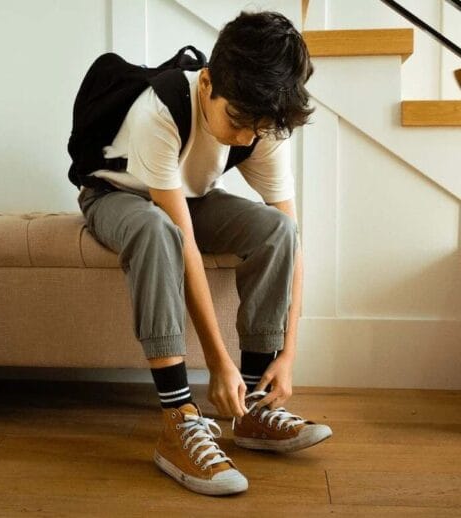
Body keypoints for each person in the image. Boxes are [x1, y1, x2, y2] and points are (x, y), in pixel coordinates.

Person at [75, 11, 332, 496]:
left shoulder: (262, 123)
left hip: (188, 196)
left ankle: (253, 407)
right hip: (115, 195)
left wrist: (290, 356)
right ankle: (178, 417)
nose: (245, 139)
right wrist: (217, 361)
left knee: (276, 229)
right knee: (157, 231)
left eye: (258, 129)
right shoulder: (161, 108)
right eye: (237, 121)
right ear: (208, 82)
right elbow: (183, 240)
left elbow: (293, 240)